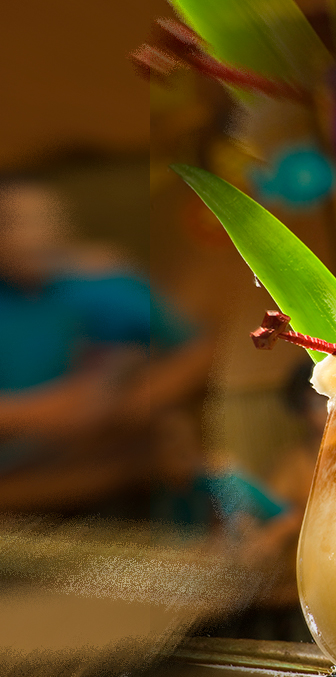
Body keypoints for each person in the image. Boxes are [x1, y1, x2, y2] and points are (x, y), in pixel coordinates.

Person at [0, 174, 216, 517]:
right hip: (22, 472)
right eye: (12, 223)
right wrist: (42, 411)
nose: (31, 236)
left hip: (103, 457)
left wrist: (135, 402)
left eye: (43, 220)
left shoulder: (104, 286)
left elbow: (198, 350)